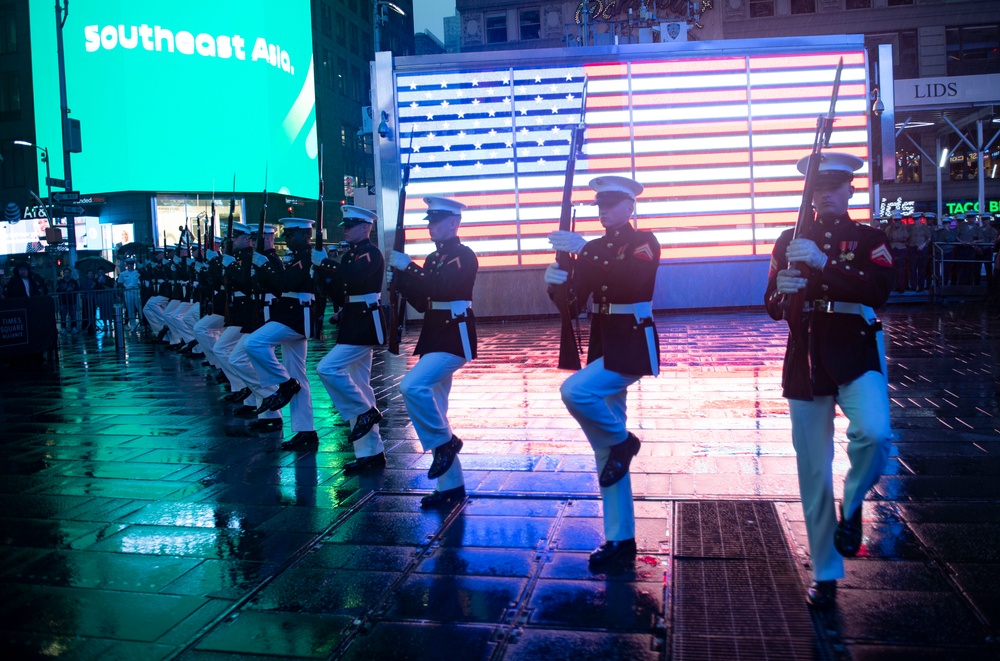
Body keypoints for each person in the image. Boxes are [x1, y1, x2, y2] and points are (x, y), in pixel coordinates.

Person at [764, 152, 894, 610]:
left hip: (855, 350)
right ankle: (826, 573)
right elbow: (772, 303)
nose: (826, 194)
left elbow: (877, 291)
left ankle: (854, 501)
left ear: (849, 190)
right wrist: (785, 288)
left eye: (835, 186)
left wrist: (822, 263)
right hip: (805, 358)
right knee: (813, 471)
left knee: (875, 435)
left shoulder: (868, 238)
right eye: (819, 187)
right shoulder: (789, 238)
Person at [543, 175, 660, 570]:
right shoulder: (591, 249)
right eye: (599, 205)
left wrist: (584, 256)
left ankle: (624, 441)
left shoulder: (644, 241)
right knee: (606, 455)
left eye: (612, 204)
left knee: (575, 392)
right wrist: (556, 282)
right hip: (604, 342)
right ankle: (620, 539)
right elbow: (575, 303)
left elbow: (632, 280)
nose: (604, 210)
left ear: (630, 208)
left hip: (631, 340)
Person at [388, 196, 478, 509]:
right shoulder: (434, 258)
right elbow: (423, 300)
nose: (431, 228)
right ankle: (451, 486)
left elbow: (440, 288)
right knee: (436, 406)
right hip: (434, 334)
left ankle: (446, 442)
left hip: (455, 336)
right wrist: (400, 281)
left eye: (436, 222)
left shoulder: (463, 256)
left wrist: (408, 268)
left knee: (411, 386)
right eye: (429, 222)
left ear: (454, 223)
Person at [314, 206, 388, 472]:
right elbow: (340, 289)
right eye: (345, 224)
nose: (345, 228)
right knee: (360, 384)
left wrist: (326, 264)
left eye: (351, 224)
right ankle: (370, 453)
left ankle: (365, 412)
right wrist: (322, 272)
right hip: (352, 320)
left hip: (366, 322)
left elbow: (354, 280)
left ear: (366, 227)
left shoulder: (370, 253)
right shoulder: (349, 255)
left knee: (327, 368)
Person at [244, 218, 319, 450]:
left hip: (296, 316)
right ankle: (305, 430)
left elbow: (286, 283)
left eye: (291, 234)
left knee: (254, 344)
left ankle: (285, 383)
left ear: (306, 235)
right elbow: (281, 286)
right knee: (299, 374)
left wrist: (265, 266)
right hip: (290, 314)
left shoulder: (307, 256)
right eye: (285, 235)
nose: (286, 239)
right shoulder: (297, 257)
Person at [118, 258, 142, 332]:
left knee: (140, 308)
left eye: (132, 264)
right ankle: (133, 325)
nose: (130, 266)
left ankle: (142, 324)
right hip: (128, 292)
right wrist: (125, 287)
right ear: (127, 265)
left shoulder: (137, 273)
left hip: (137, 291)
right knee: (130, 309)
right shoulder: (123, 274)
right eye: (129, 264)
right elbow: (120, 283)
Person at [55, 268, 80, 333]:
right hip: (63, 301)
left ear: (70, 273)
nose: (67, 274)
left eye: (68, 272)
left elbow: (78, 289)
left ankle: (73, 327)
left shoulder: (74, 281)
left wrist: (72, 290)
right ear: (63, 274)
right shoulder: (60, 282)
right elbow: (57, 290)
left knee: (73, 315)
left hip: (72, 300)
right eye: (65, 272)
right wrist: (64, 290)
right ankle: (63, 328)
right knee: (63, 315)